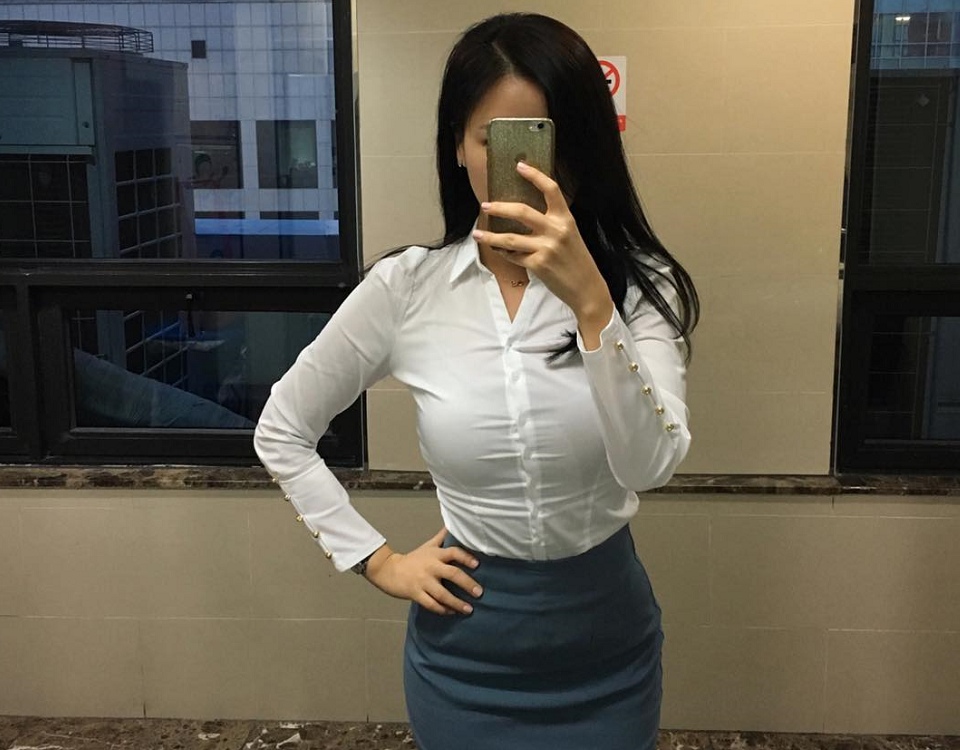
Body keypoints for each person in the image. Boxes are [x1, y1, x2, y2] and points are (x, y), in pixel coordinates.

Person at [254, 12, 699, 750]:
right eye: (493, 139)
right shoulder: (408, 289)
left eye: (542, 137)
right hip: (464, 656)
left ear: (583, 146)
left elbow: (649, 466)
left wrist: (593, 305)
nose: (520, 166)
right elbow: (282, 430)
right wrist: (377, 561)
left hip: (607, 649)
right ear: (457, 146)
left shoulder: (639, 288)